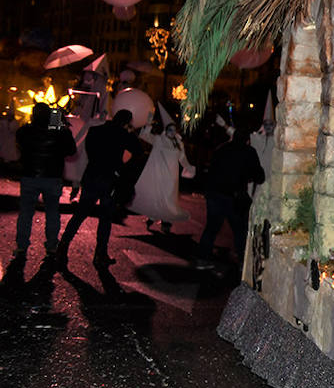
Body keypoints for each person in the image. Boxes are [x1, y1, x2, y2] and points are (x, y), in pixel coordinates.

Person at [58, 109, 141, 267]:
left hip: (92, 176)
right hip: (110, 179)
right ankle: (100, 254)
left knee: (80, 214)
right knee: (105, 218)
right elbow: (138, 151)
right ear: (127, 122)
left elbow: (89, 152)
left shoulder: (95, 130)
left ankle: (63, 246)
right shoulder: (124, 135)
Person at [14, 102, 76, 265]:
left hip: (30, 176)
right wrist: (59, 124)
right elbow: (71, 150)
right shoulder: (59, 132)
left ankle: (21, 246)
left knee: (26, 212)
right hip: (52, 177)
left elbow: (20, 139)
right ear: (50, 116)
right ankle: (51, 247)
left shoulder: (25, 131)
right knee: (52, 212)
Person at [195, 126, 265, 269]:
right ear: (247, 140)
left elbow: (212, 170)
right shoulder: (249, 152)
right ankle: (242, 262)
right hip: (235, 197)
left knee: (211, 228)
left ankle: (202, 259)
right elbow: (259, 176)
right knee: (240, 231)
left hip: (215, 194)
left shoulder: (221, 149)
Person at [130, 105, 193, 233]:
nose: (172, 132)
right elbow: (145, 136)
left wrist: (189, 168)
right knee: (158, 196)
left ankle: (166, 222)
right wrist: (148, 123)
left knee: (169, 199)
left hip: (171, 178)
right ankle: (153, 217)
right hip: (159, 175)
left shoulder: (178, 144)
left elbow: (182, 158)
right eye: (170, 129)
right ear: (166, 129)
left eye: (173, 130)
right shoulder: (159, 140)